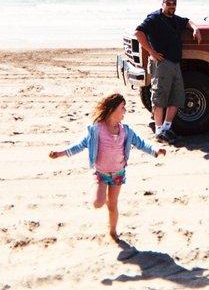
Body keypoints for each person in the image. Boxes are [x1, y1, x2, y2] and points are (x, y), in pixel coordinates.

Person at [48, 93, 166, 242]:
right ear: (112, 110)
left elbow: (141, 143)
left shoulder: (126, 131)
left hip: (118, 173)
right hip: (101, 174)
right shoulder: (97, 129)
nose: (125, 111)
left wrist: (155, 150)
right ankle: (101, 196)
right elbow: (80, 145)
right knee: (98, 203)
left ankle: (112, 231)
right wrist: (60, 153)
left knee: (113, 205)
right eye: (122, 107)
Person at [134, 0, 202, 144]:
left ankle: (166, 128)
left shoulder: (175, 19)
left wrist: (195, 28)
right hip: (162, 63)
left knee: (177, 97)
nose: (171, 6)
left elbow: (187, 21)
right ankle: (159, 131)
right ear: (163, 4)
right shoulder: (154, 18)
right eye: (169, 3)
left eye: (174, 4)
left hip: (175, 64)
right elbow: (138, 32)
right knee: (159, 98)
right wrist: (151, 52)